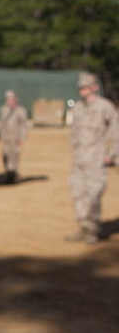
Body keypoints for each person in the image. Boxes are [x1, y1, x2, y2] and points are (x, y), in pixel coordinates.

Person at [66, 72, 118, 244]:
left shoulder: (105, 107)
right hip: (79, 160)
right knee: (78, 194)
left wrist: (111, 154)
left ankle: (93, 229)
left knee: (94, 195)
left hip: (96, 159)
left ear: (94, 87)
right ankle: (83, 226)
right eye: (80, 87)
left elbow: (116, 131)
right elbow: (74, 133)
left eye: (85, 87)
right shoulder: (78, 107)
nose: (82, 90)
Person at [0, 90, 29, 184]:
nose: (9, 101)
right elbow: (1, 124)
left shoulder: (21, 111)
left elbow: (24, 126)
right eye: (8, 99)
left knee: (14, 156)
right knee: (5, 155)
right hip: (5, 138)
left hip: (15, 138)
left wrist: (22, 138)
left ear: (15, 100)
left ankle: (14, 174)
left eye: (11, 99)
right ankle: (8, 173)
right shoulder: (4, 110)